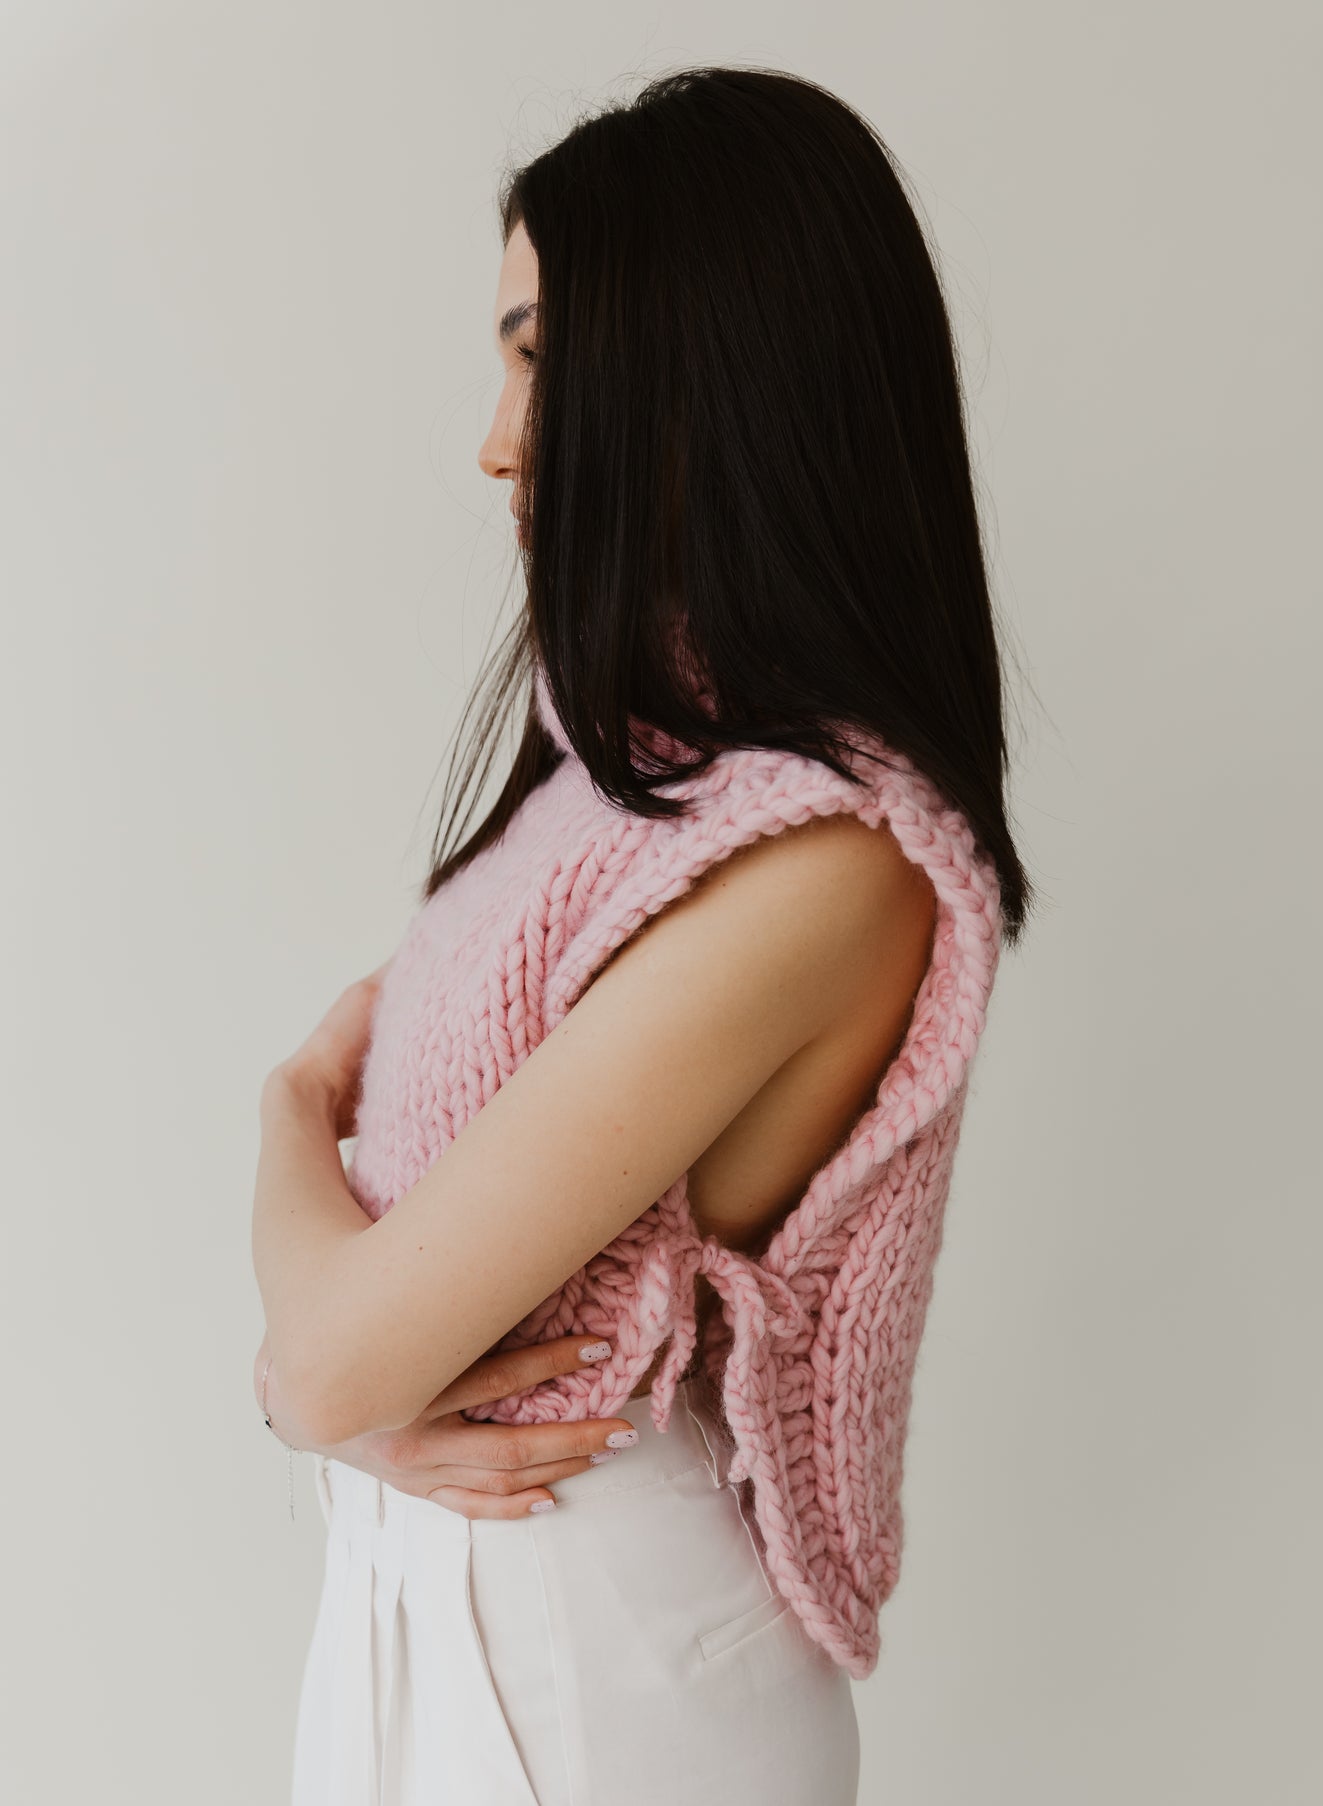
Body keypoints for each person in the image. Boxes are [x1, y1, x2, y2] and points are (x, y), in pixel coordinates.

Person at [252, 64, 1033, 1806]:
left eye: (537, 350)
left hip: (590, 1663)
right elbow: (346, 1353)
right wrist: (336, 1365)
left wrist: (288, 1121)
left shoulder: (824, 860)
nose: (496, 436)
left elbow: (330, 1348)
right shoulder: (621, 784)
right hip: (438, 1601)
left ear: (703, 367)